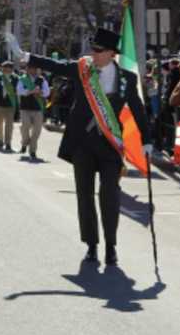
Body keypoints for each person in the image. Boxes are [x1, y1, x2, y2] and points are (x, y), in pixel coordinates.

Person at [15, 28, 151, 266]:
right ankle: (91, 245)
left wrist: (147, 141)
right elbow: (56, 66)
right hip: (83, 143)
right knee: (84, 195)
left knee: (110, 195)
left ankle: (111, 246)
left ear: (111, 53)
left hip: (110, 144)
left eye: (99, 51)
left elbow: (138, 111)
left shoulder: (126, 79)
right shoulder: (82, 69)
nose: (94, 54)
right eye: (93, 50)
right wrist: (26, 56)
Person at [17, 63, 50, 160]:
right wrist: (31, 91)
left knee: (37, 131)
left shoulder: (42, 79)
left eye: (35, 68)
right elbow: (19, 91)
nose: (33, 70)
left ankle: (32, 151)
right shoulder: (22, 79)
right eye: (31, 68)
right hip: (25, 108)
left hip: (38, 108)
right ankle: (24, 143)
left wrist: (40, 92)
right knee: (25, 126)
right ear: (27, 69)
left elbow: (47, 92)